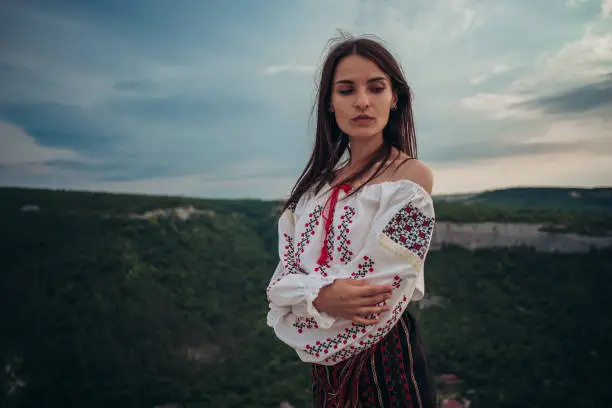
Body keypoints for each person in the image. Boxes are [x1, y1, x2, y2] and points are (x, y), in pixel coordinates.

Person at [266, 34, 437, 408]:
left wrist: (308, 299)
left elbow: (378, 295)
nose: (362, 101)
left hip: (386, 355)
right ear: (329, 103)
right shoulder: (314, 189)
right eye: (346, 90)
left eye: (376, 88)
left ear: (395, 98)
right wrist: (322, 296)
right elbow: (278, 286)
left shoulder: (409, 178)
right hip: (325, 368)